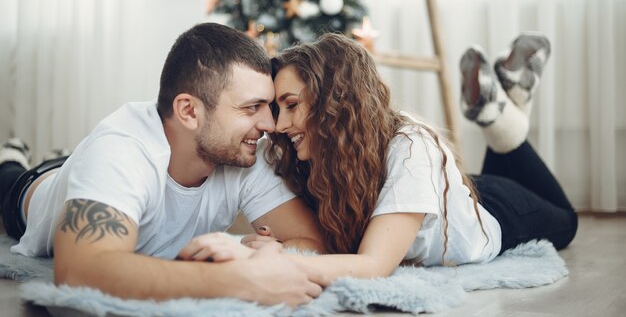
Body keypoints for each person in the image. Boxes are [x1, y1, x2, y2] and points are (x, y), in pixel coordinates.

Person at [0, 22, 328, 306]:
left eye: (268, 106)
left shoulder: (248, 150)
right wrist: (236, 278)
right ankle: (12, 157)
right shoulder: (120, 149)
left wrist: (267, 257)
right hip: (31, 190)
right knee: (8, 179)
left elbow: (313, 243)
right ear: (188, 111)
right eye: (251, 107)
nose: (270, 125)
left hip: (92, 170)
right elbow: (78, 271)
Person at [213, 31, 577, 280]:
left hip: (498, 212)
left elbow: (374, 264)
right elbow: (319, 245)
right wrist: (287, 247)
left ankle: (501, 119)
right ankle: (502, 107)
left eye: (291, 105)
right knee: (491, 170)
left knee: (567, 221)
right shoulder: (303, 157)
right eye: (278, 108)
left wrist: (265, 263)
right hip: (439, 198)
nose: (278, 125)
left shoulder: (410, 149)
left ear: (334, 105)